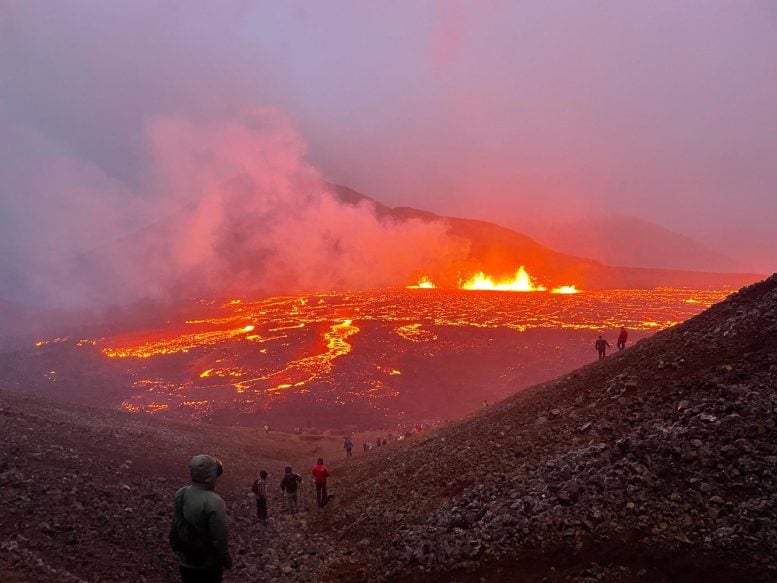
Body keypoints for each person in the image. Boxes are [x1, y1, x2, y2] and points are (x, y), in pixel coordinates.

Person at [173, 455, 232, 583]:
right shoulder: (214, 501)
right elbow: (219, 540)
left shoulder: (181, 493)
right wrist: (227, 561)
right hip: (207, 565)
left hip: (186, 562)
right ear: (210, 476)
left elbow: (177, 524)